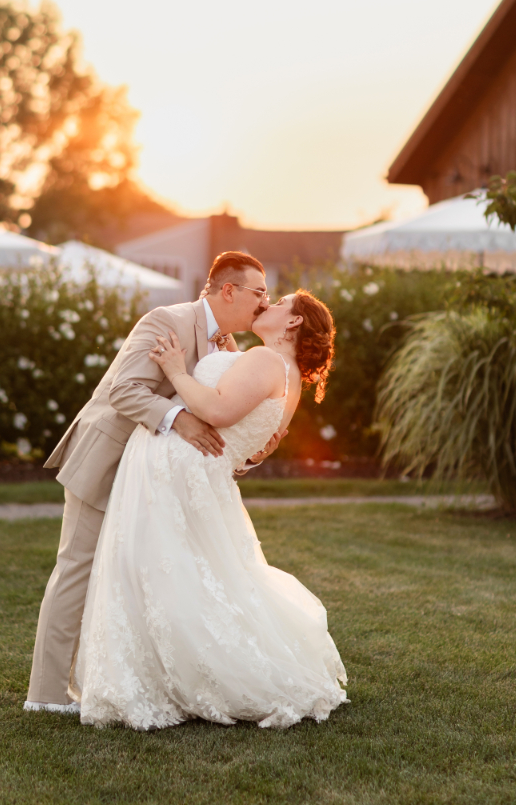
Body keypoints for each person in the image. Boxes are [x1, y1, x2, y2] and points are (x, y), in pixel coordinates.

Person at [70, 287, 347, 730]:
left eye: (278, 304)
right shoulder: (288, 375)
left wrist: (176, 371)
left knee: (155, 569)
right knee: (192, 573)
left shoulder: (265, 360)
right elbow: (251, 440)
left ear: (293, 322)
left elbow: (215, 409)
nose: (267, 304)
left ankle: (172, 676)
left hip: (176, 466)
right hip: (201, 475)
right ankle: (174, 669)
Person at [25, 251, 286, 713]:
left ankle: (134, 681)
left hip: (151, 483)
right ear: (228, 290)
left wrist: (247, 449)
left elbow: (219, 414)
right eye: (259, 292)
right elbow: (124, 389)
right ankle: (44, 695)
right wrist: (180, 420)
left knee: (133, 577)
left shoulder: (229, 348)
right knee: (76, 571)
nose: (265, 303)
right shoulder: (167, 319)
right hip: (106, 461)